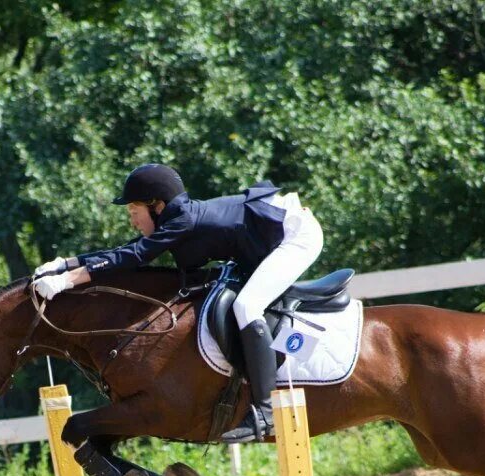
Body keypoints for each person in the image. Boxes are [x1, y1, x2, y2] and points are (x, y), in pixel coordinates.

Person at [34, 163, 324, 442]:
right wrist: (64, 264)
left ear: (156, 205)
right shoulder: (177, 218)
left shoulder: (183, 221)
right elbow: (126, 251)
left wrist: (68, 280)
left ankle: (265, 410)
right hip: (270, 233)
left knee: (246, 306)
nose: (132, 219)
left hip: (295, 234)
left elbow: (135, 256)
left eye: (134, 210)